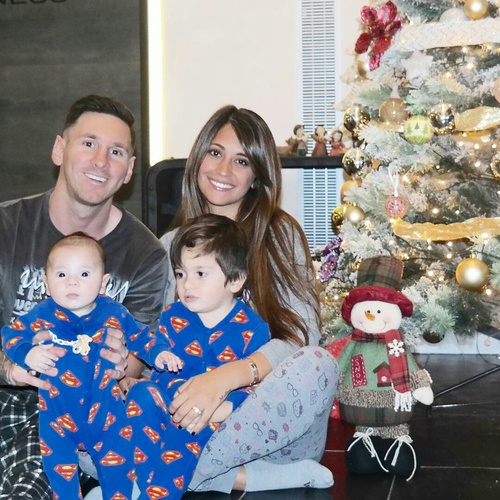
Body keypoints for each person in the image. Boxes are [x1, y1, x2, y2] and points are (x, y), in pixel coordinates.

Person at [156, 105, 339, 494]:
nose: (223, 170)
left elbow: (303, 335)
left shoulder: (280, 235)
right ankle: (228, 478)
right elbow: (152, 343)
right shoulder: (169, 246)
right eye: (215, 152)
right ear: (198, 157)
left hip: (275, 432)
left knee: (319, 365)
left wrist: (223, 379)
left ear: (257, 175)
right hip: (189, 423)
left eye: (241, 161)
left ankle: (155, 469)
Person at [0, 94, 169, 499]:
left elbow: (135, 361)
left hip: (69, 412)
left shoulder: (145, 255)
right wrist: (10, 367)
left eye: (116, 152)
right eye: (88, 143)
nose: (100, 161)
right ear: (59, 150)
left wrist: (121, 361)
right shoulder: (6, 227)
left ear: (129, 171)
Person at [2, 233, 181, 499]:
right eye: (61, 275)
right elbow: (10, 334)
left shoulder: (114, 313)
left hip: (107, 419)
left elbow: (141, 336)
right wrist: (26, 353)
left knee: (119, 475)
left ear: (103, 283)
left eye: (84, 274)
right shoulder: (41, 315)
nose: (72, 281)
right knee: (61, 484)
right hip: (57, 421)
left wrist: (159, 353)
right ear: (46, 284)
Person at [126, 213, 270, 499]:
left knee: (184, 428)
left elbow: (255, 389)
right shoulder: (172, 315)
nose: (187, 285)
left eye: (200, 273)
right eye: (181, 274)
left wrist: (218, 410)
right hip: (172, 403)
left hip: (217, 417)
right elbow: (158, 367)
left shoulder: (253, 329)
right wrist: (157, 355)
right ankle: (142, 480)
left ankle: (156, 493)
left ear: (235, 280)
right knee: (141, 394)